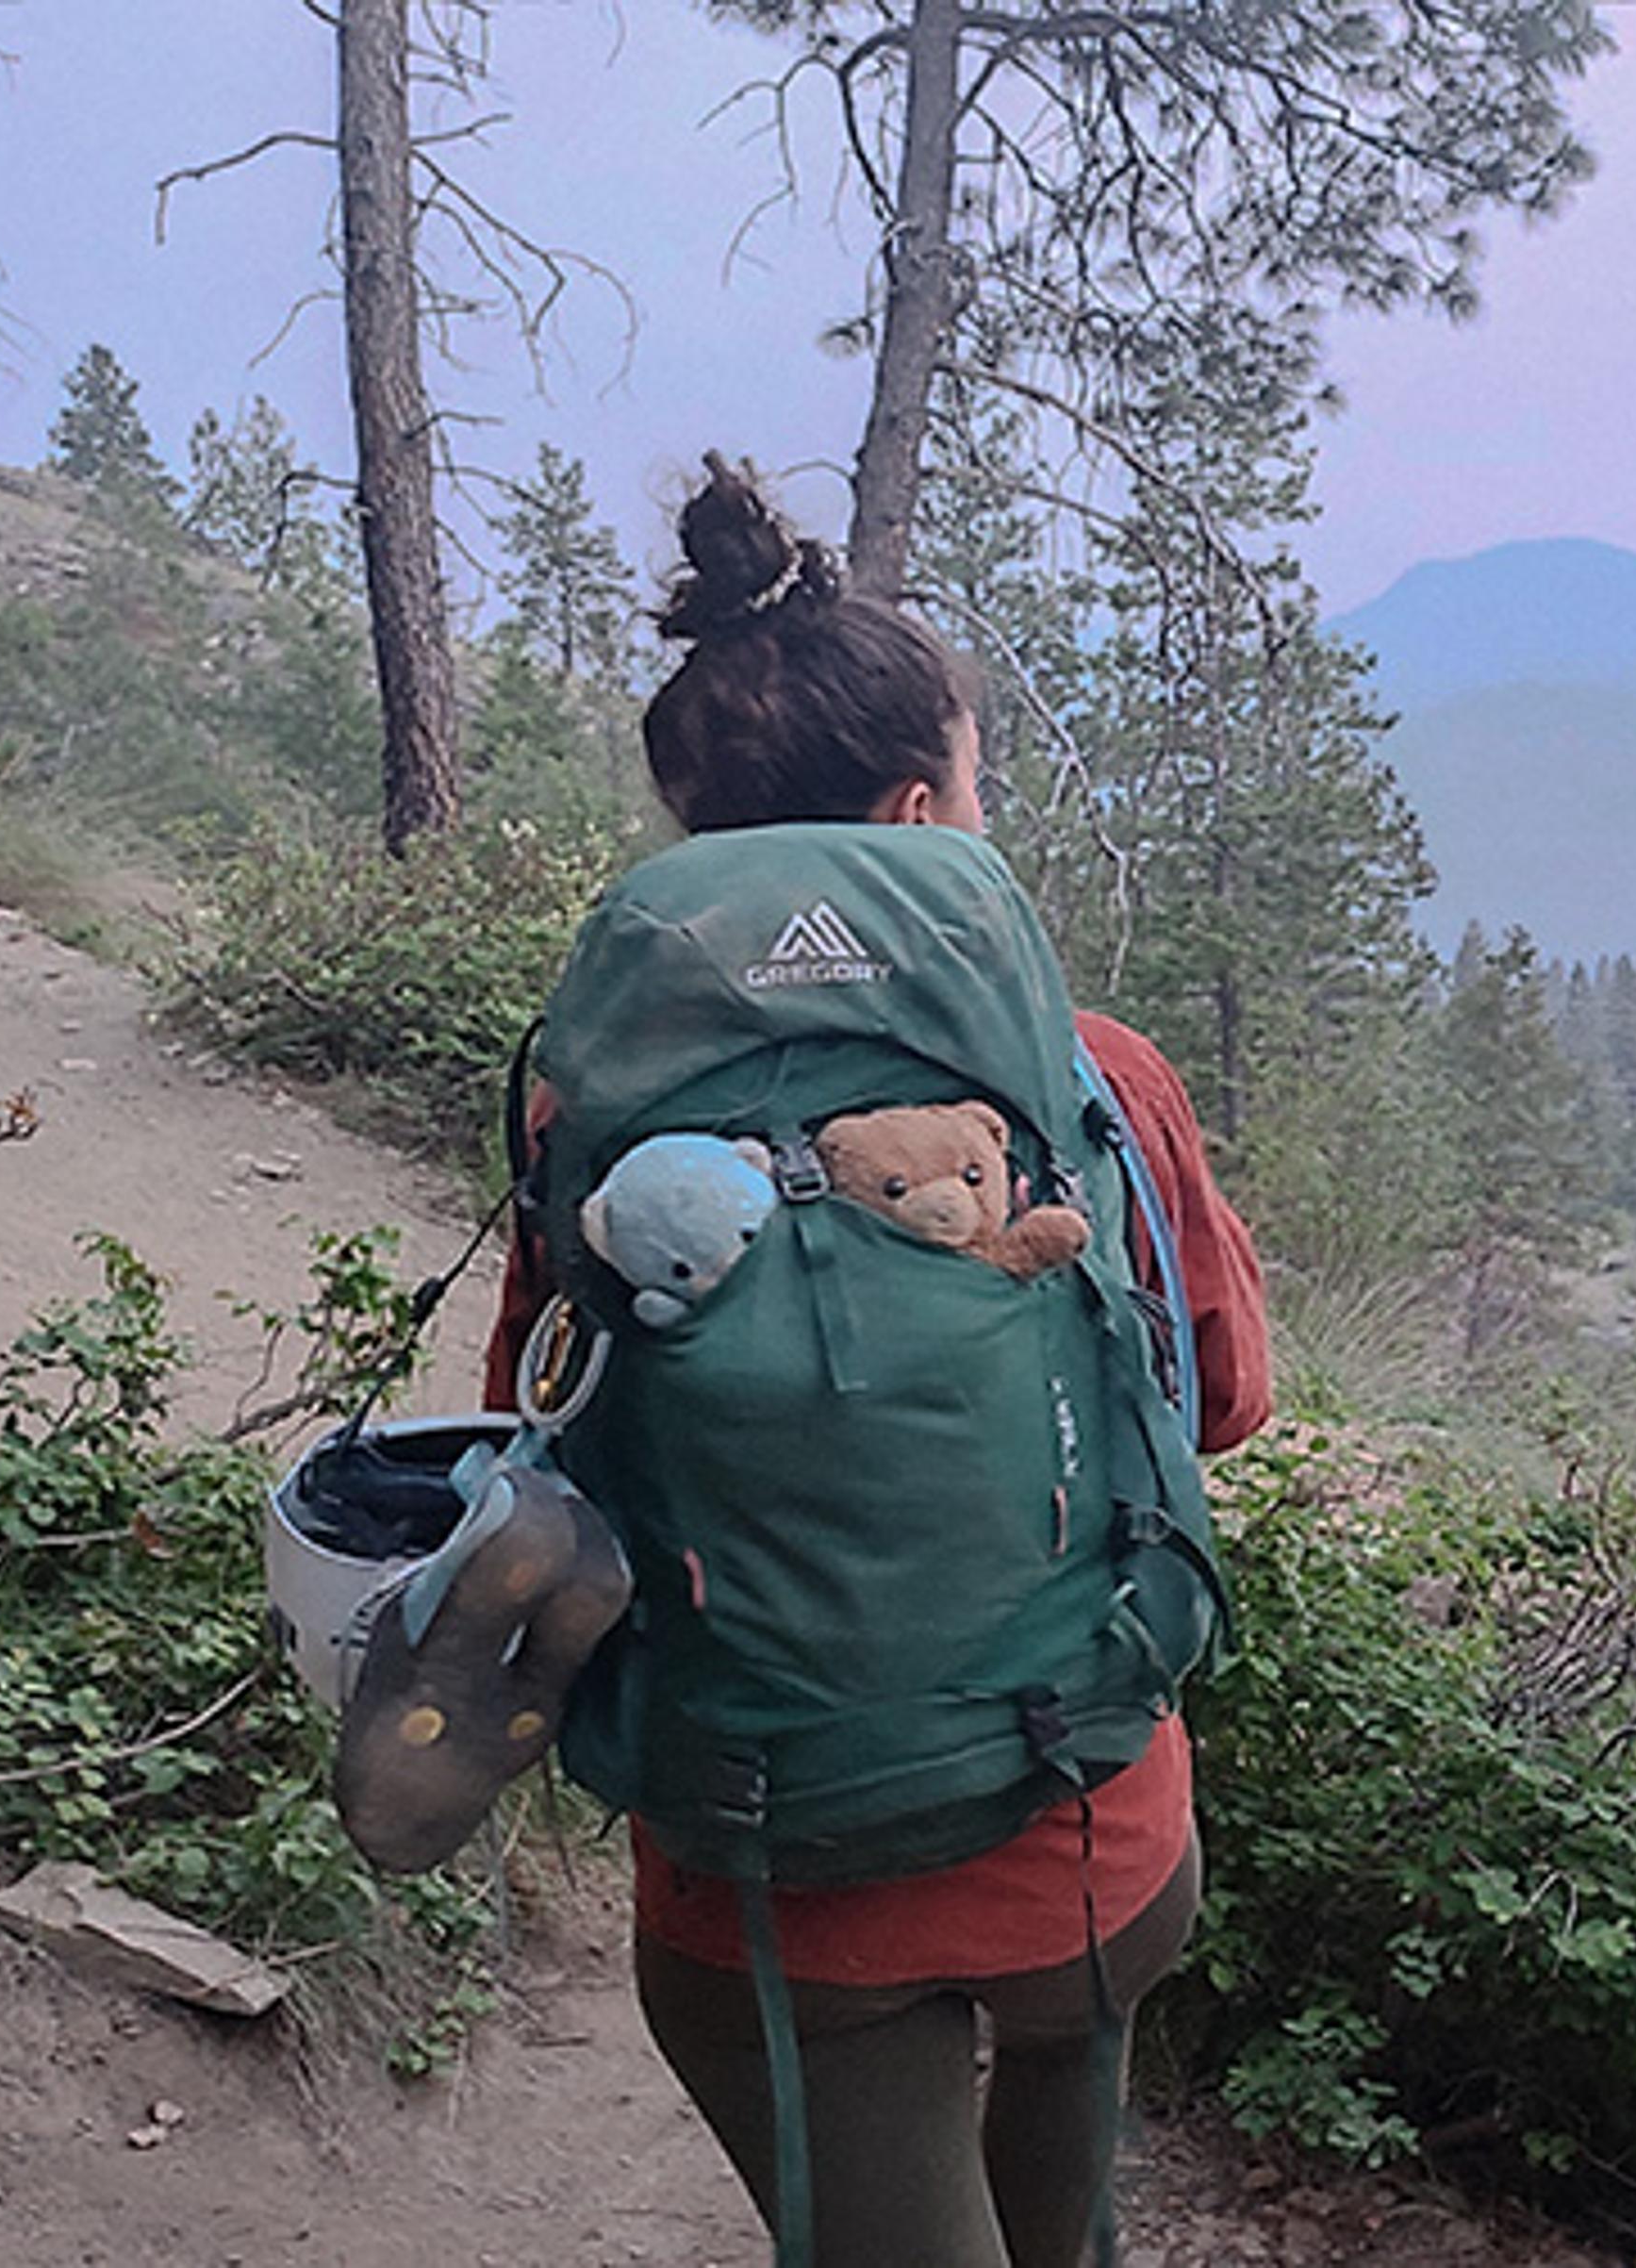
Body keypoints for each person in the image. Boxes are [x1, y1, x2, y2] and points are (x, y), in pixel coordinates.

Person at [483, 455, 1271, 2268]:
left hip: (766, 1859)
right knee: (1066, 2139)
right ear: (923, 811)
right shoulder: (1098, 1078)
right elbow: (1217, 1403)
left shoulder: (589, 1109)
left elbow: (555, 1432)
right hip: (1089, 1810)